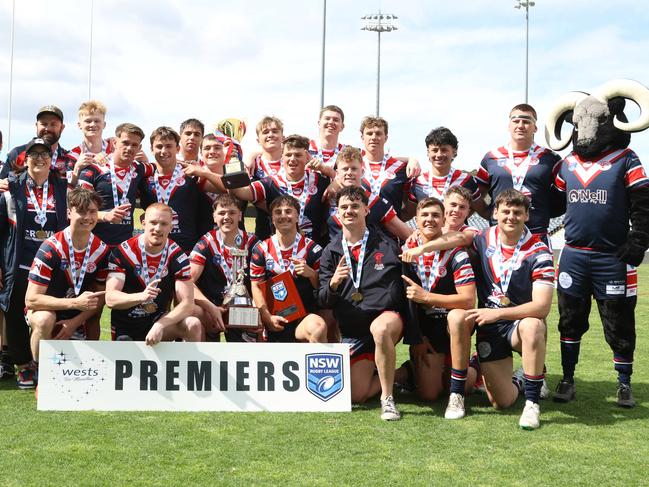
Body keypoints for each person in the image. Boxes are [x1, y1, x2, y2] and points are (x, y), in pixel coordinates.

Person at [553, 136, 649, 408]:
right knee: (569, 320)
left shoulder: (626, 158)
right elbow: (554, 201)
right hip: (573, 255)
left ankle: (624, 382)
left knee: (619, 323)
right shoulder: (567, 163)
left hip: (612, 257)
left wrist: (639, 237)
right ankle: (568, 378)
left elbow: (644, 201)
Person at [467, 189, 554, 430]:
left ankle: (532, 403)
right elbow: (454, 237)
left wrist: (498, 313)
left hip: (518, 324)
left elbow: (542, 306)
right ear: (495, 213)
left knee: (534, 325)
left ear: (527, 215)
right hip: (490, 327)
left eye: (518, 212)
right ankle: (521, 376)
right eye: (505, 211)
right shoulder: (482, 238)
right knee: (501, 402)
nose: (511, 217)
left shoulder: (539, 252)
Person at [318, 186, 406, 420]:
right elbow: (323, 300)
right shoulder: (330, 251)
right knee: (357, 394)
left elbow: (395, 291)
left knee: (380, 328)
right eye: (344, 207)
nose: (350, 211)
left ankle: (387, 400)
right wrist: (333, 284)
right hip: (354, 332)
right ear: (337, 214)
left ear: (366, 210)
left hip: (383, 320)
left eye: (355, 206)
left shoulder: (386, 245)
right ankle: (404, 374)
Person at [0, 138, 68, 388]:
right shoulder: (11, 188)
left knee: (48, 314)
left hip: (51, 267)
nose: (39, 158)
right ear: (24, 159)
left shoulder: (62, 188)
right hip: (18, 265)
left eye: (44, 154)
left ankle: (43, 363)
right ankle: (23, 365)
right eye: (33, 154)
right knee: (15, 315)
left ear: (52, 160)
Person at [400, 197, 476, 418]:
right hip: (427, 331)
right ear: (416, 220)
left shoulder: (456, 252)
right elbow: (405, 301)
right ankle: (412, 368)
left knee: (467, 382)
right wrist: (417, 338)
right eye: (424, 215)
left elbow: (468, 300)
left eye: (435, 215)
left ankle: (458, 393)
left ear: (444, 220)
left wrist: (427, 297)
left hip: (453, 325)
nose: (430, 219)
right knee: (430, 394)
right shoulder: (407, 251)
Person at [25, 187, 109, 366]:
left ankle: (91, 367)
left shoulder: (102, 250)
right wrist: (73, 303)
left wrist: (74, 322)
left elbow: (100, 298)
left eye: (93, 212)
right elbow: (31, 300)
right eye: (81, 211)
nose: (87, 217)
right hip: (47, 307)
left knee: (95, 314)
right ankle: (39, 370)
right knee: (44, 319)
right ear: (69, 213)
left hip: (79, 311)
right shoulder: (51, 248)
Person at [105, 203, 201, 344]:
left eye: (163, 224)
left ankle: (191, 366)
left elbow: (187, 304)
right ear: (143, 223)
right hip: (127, 325)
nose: (158, 229)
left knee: (193, 324)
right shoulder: (124, 252)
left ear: (171, 227)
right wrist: (141, 297)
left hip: (160, 321)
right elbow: (110, 299)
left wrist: (160, 325)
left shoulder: (177, 255)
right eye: (153, 223)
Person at [474, 104, 563, 245]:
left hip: (536, 234)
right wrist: (489, 213)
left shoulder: (551, 159)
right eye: (516, 121)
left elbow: (562, 197)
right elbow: (477, 194)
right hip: (499, 234)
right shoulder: (491, 158)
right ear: (509, 125)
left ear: (535, 128)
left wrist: (544, 212)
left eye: (527, 121)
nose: (520, 125)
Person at [249, 195, 327, 343]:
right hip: (273, 319)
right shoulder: (261, 249)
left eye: (288, 211)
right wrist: (267, 318)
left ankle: (317, 364)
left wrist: (311, 274)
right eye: (278, 212)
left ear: (297, 217)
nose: (283, 215)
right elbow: (256, 286)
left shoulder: (313, 249)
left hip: (303, 319)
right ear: (272, 218)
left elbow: (323, 290)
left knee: (318, 326)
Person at [231, 135, 331, 246]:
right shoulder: (271, 182)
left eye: (298, 155)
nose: (292, 159)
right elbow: (239, 191)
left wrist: (329, 174)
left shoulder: (321, 181)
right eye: (288, 155)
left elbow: (346, 183)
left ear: (307, 157)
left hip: (314, 252)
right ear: (282, 158)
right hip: (280, 253)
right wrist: (232, 161)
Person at [190, 194, 259, 342]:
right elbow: (187, 282)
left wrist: (259, 310)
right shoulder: (205, 243)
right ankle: (201, 359)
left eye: (232, 213)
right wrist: (210, 307)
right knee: (193, 312)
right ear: (214, 217)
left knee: (246, 350)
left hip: (243, 309)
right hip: (213, 307)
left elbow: (262, 282)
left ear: (240, 216)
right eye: (222, 213)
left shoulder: (253, 243)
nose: (227, 217)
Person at [77, 123, 152, 247]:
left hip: (124, 248)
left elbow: (165, 166)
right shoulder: (93, 169)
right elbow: (81, 209)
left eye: (134, 145)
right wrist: (106, 216)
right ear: (115, 143)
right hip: (94, 246)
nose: (129, 148)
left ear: (140, 148)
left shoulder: (140, 168)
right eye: (125, 143)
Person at [140, 127, 211, 253]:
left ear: (178, 149)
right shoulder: (145, 179)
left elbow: (225, 188)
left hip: (187, 249)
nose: (164, 151)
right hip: (154, 249)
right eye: (159, 146)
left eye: (168, 146)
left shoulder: (192, 175)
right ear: (151, 149)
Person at [326, 146, 412, 241]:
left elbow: (408, 234)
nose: (349, 173)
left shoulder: (375, 202)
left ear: (362, 172)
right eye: (345, 169)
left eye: (354, 169)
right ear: (337, 173)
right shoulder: (329, 194)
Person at [404, 127, 482, 220]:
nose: (439, 155)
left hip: (456, 233)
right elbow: (408, 214)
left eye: (444, 150)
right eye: (435, 150)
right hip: (428, 232)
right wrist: (410, 159)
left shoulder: (467, 180)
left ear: (454, 152)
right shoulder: (418, 181)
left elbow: (481, 209)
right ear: (428, 152)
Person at [1, 106, 74, 184]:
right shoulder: (17, 153)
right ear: (36, 125)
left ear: (62, 128)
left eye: (53, 124)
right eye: (44, 124)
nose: (48, 128)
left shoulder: (69, 159)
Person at [359, 116, 414, 219]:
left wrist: (394, 221)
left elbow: (409, 208)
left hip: (390, 234)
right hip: (359, 232)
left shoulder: (401, 168)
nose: (374, 137)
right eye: (369, 133)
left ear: (386, 137)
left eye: (378, 133)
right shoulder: (353, 166)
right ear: (362, 137)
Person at [245, 116, 285, 240]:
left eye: (275, 131)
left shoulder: (292, 160)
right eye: (265, 132)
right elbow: (251, 196)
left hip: (292, 224)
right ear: (258, 140)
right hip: (264, 228)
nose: (271, 135)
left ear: (283, 137)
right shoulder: (252, 165)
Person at [68, 100, 114, 186]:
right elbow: (67, 189)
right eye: (88, 121)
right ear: (79, 125)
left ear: (104, 124)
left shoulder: (114, 149)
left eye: (97, 121)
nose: (92, 124)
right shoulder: (73, 156)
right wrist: (77, 168)